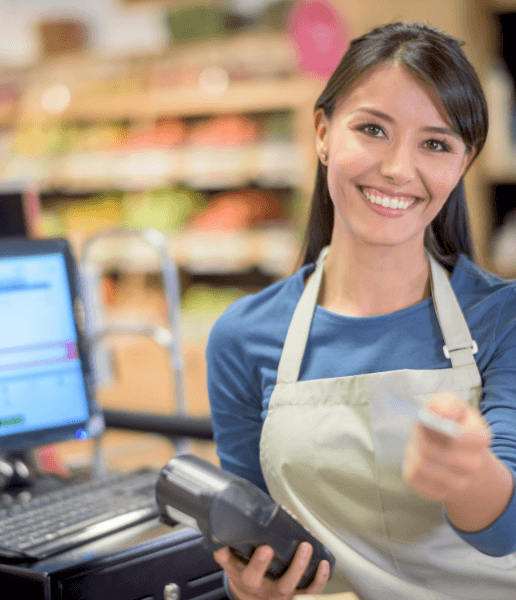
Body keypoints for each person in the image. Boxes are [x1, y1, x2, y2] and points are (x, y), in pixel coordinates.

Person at [206, 21, 516, 600]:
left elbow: (506, 532)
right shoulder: (242, 338)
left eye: (436, 143)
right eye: (372, 129)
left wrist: (471, 477)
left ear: (463, 163)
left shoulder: (504, 319)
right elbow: (253, 542)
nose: (399, 169)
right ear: (322, 132)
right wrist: (252, 590)